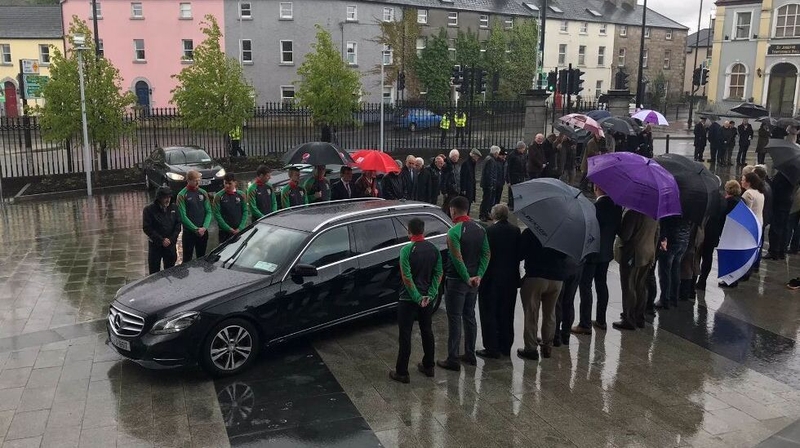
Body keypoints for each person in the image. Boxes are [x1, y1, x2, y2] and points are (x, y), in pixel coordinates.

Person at [437, 196, 490, 371]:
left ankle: (453, 358)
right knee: (469, 317)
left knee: (454, 319)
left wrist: (466, 277)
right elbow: (486, 254)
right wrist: (478, 276)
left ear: (453, 210)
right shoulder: (480, 228)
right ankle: (470, 353)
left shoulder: (454, 232)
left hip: (457, 282)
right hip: (474, 282)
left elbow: (457, 258)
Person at [389, 217, 443, 384]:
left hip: (408, 299)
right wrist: (431, 294)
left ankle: (402, 371)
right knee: (427, 330)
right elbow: (438, 273)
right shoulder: (434, 249)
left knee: (405, 334)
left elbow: (407, 276)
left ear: (409, 231)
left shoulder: (406, 250)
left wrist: (417, 297)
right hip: (427, 299)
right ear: (423, 230)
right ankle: (429, 365)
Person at [573, 185, 622, 334]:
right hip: (606, 253)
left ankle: (585, 323)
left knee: (586, 286)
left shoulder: (595, 208)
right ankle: (601, 320)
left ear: (597, 188)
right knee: (601, 285)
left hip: (591, 254)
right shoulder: (617, 207)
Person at [517, 222, 569, 360]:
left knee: (531, 313)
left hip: (536, 277)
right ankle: (547, 346)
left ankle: (531, 348)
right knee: (550, 313)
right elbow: (565, 255)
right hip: (557, 279)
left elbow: (520, 254)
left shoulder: (530, 232)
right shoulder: (562, 234)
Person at [477, 204, 520, 359]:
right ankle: (505, 346)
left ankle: (491, 347)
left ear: (493, 215)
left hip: (491, 279)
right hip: (510, 280)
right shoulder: (515, 231)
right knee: (507, 313)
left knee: (489, 313)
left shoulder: (489, 231)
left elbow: (484, 255)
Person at [613, 209, 659, 330]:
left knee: (629, 286)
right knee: (641, 286)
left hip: (633, 254)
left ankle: (628, 318)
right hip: (648, 253)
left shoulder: (632, 213)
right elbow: (657, 234)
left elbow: (625, 235)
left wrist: (618, 225)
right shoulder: (654, 214)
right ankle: (639, 317)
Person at [696, 182, 740, 290]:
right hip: (715, 232)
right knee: (708, 256)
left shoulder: (722, 200)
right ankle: (703, 280)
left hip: (708, 229)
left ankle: (698, 280)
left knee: (699, 255)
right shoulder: (727, 200)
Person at [654, 215, 691, 309]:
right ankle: (674, 298)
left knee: (665, 271)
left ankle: (665, 300)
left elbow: (665, 225)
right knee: (675, 269)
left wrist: (662, 239)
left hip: (671, 241)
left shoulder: (669, 208)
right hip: (684, 241)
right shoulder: (688, 206)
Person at [176, 170, 212, 263]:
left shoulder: (203, 192)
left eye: (198, 180)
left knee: (202, 259)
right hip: (189, 233)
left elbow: (208, 211)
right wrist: (195, 229)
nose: (197, 182)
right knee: (187, 259)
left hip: (203, 232)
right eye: (195, 180)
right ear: (189, 180)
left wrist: (204, 227)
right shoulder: (182, 195)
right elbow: (183, 216)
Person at [143, 186, 180, 275]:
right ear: (159, 198)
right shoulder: (149, 210)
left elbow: (178, 225)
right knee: (154, 271)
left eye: (169, 197)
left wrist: (171, 239)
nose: (168, 200)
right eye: (165, 197)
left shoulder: (174, 208)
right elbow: (147, 228)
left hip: (170, 245)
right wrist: (161, 240)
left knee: (171, 271)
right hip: (155, 246)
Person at [553, 257, 582, 347]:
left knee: (557, 302)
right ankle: (566, 335)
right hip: (577, 265)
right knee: (569, 301)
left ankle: (556, 336)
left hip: (561, 265)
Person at [213, 173, 249, 243]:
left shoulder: (241, 194)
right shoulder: (218, 196)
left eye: (229, 183)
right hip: (224, 232)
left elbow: (245, 211)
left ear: (235, 183)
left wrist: (240, 227)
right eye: (225, 183)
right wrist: (228, 229)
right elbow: (217, 214)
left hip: (239, 230)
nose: (227, 185)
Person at [765, 171, 794, 261]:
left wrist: (768, 180)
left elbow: (775, 188)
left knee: (776, 228)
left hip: (779, 204)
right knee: (784, 228)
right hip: (787, 203)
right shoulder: (793, 175)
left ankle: (774, 251)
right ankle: (782, 251)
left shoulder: (783, 174)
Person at [479, 146, 501, 221]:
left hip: (487, 183)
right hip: (488, 184)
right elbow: (490, 173)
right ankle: (483, 214)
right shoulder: (491, 160)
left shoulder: (489, 158)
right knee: (486, 200)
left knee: (487, 200)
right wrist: (491, 184)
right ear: (496, 153)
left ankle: (485, 214)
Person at [507, 141, 527, 211]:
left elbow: (524, 165)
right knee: (512, 191)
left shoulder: (523, 155)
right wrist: (508, 180)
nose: (524, 150)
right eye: (523, 148)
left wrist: (525, 174)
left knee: (519, 191)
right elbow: (508, 168)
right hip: (513, 176)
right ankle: (511, 204)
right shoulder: (512, 155)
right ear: (520, 148)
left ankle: (517, 204)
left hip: (520, 176)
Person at [440, 150, 461, 215]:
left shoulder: (457, 166)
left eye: (457, 156)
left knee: (454, 207)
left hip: (456, 190)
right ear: (451, 157)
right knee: (447, 207)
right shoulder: (446, 166)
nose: (456, 158)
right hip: (449, 190)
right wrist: (444, 191)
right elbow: (443, 179)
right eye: (454, 156)